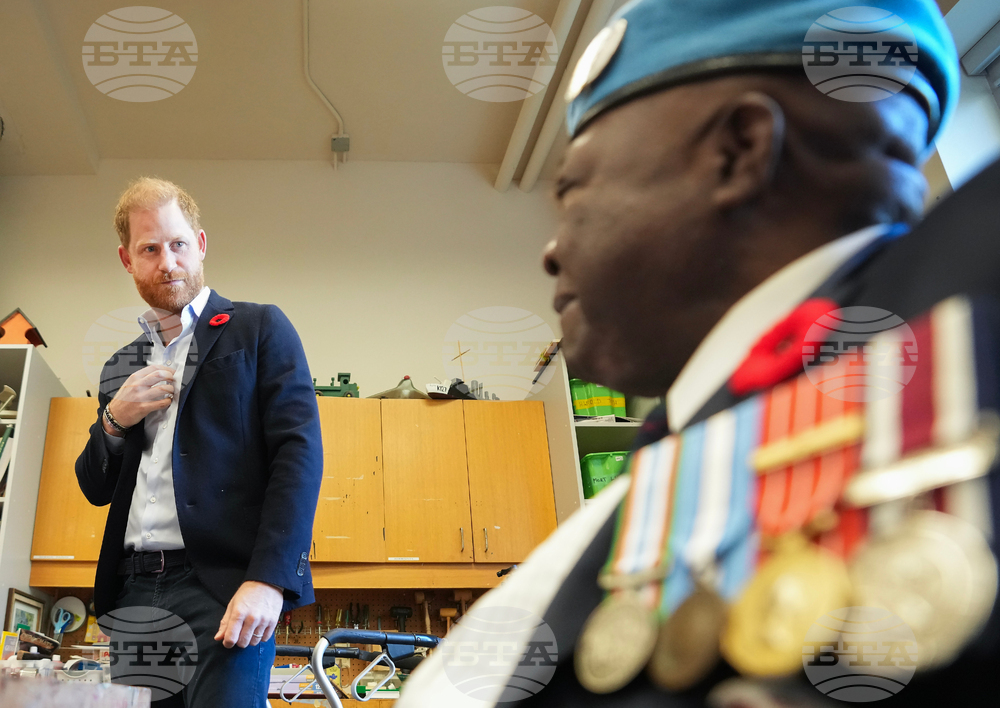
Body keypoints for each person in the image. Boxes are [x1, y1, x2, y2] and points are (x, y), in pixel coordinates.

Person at [399, 0, 1000, 706]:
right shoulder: (682, 452)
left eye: (572, 191)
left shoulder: (969, 291)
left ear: (739, 151)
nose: (552, 249)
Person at [75, 177, 323, 707]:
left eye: (178, 244)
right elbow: (96, 486)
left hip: (224, 587)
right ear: (128, 260)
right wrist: (113, 421)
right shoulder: (120, 365)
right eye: (150, 249)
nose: (168, 262)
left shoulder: (258, 328)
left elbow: (298, 455)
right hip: (135, 594)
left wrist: (269, 580)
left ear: (201, 244)